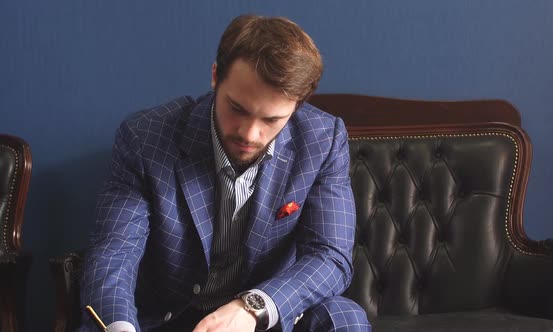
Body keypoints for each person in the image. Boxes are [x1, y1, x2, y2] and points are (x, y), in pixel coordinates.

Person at [79, 14, 370, 332]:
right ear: (216, 76)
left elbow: (330, 256)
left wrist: (252, 307)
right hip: (170, 319)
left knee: (345, 317)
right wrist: (118, 327)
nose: (250, 134)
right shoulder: (144, 139)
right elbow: (114, 251)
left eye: (271, 119)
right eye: (238, 109)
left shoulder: (323, 140)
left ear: (297, 105)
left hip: (266, 317)